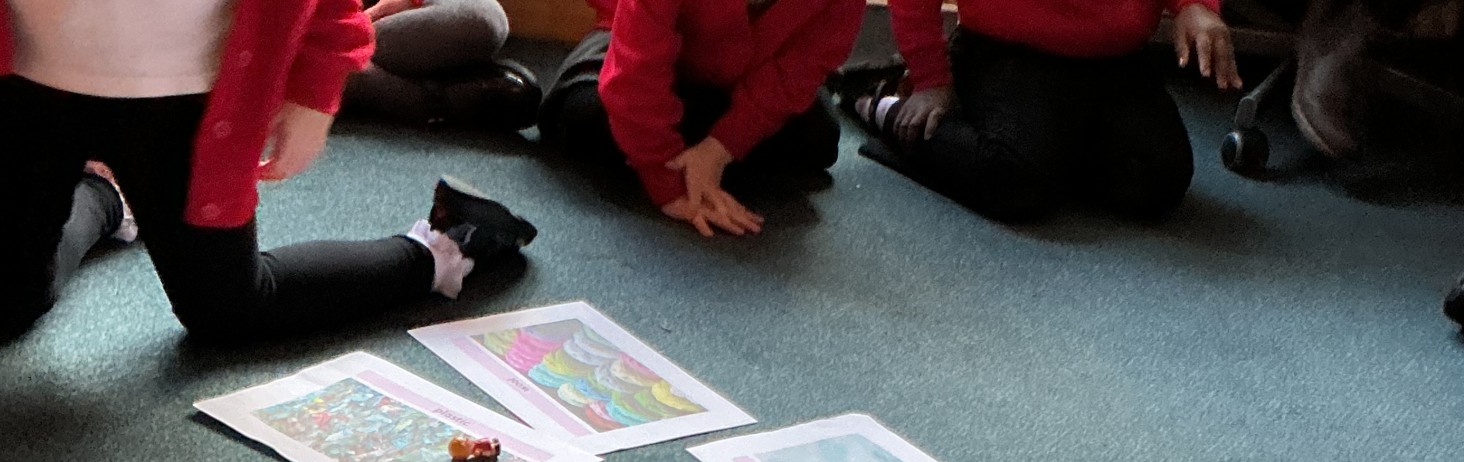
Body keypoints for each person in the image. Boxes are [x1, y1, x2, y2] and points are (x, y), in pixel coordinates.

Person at [0, 1, 536, 344]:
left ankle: (442, 248)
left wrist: (318, 80)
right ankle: (110, 195)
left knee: (229, 310)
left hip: (182, 99)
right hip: (15, 78)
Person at [840, 0, 1241, 222]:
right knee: (1015, 183)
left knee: (1159, 183)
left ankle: (1049, 150)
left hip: (1116, 59)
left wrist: (1194, 5)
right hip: (1009, 53)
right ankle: (878, 102)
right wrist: (931, 78)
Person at [537, 0, 867, 238]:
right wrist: (664, 176)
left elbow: (800, 66)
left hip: (752, 68)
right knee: (583, 114)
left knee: (817, 139)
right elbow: (635, 71)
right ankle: (672, 148)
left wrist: (719, 149)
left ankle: (683, 148)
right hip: (634, 43)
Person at [342, 0, 541, 132]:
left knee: (484, 17)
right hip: (335, 32)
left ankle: (360, 77)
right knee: (481, 20)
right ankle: (425, 100)